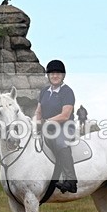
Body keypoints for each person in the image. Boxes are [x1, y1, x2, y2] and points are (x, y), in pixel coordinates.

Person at [33, 60, 78, 193]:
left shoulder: (67, 91)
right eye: (52, 73)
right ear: (48, 75)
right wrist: (35, 122)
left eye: (58, 73)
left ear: (63, 75)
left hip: (65, 127)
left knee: (60, 143)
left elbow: (65, 115)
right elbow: (38, 111)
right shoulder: (44, 91)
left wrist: (46, 122)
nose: (55, 76)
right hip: (47, 127)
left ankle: (71, 181)